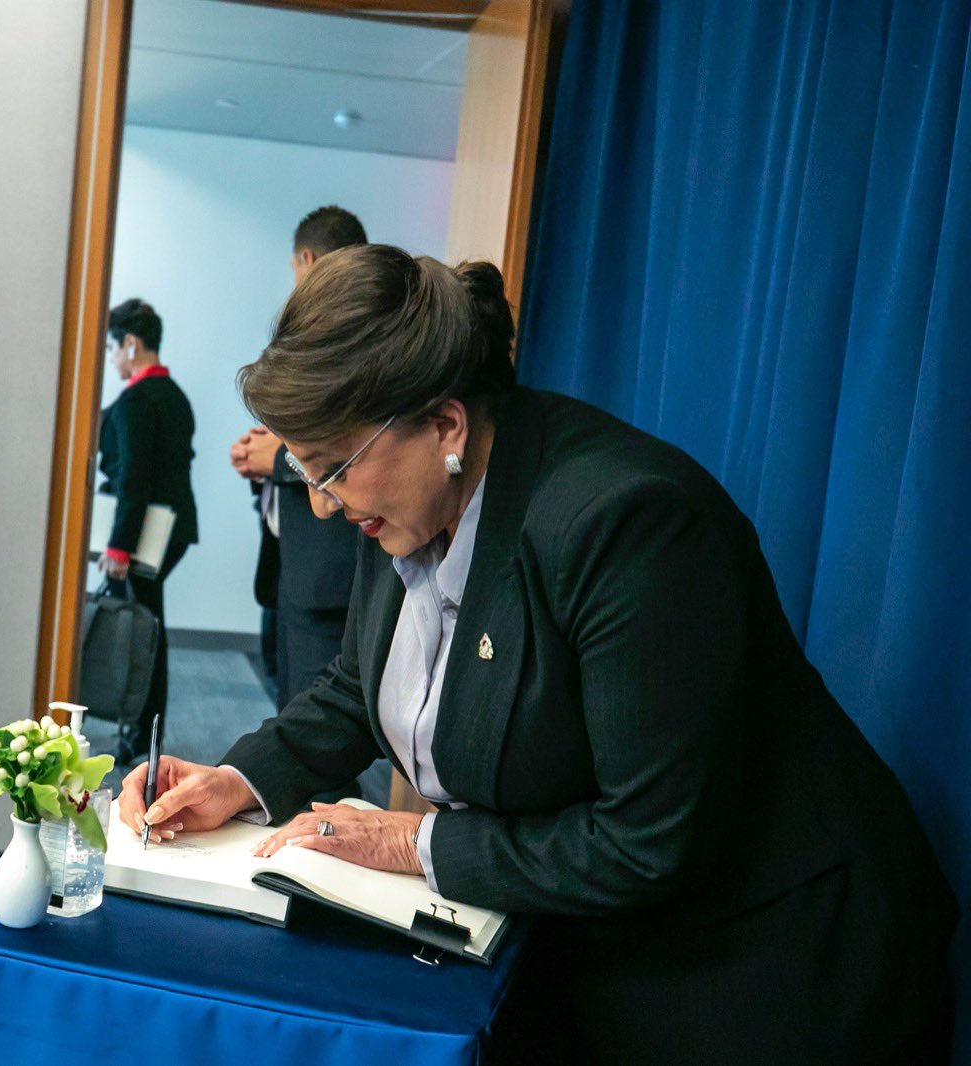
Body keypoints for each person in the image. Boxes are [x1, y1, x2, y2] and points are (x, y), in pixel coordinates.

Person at [122, 245, 957, 1063]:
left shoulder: (624, 525)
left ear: (445, 425)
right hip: (597, 950)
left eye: (331, 469)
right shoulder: (408, 499)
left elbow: (649, 840)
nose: (323, 505)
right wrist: (237, 780)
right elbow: (362, 683)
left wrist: (414, 843)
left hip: (773, 965)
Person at [230, 206, 365, 709]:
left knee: (313, 720)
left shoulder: (356, 333)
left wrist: (278, 459)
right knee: (290, 707)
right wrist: (262, 453)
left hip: (329, 569)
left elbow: (354, 445)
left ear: (306, 259)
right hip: (297, 562)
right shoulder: (324, 330)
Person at [97, 298, 197, 762]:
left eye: (112, 348)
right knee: (150, 628)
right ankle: (144, 733)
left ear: (131, 344)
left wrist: (118, 548)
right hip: (171, 529)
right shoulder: (174, 395)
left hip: (144, 534)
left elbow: (133, 479)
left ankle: (141, 735)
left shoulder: (137, 400)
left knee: (144, 634)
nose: (111, 358)